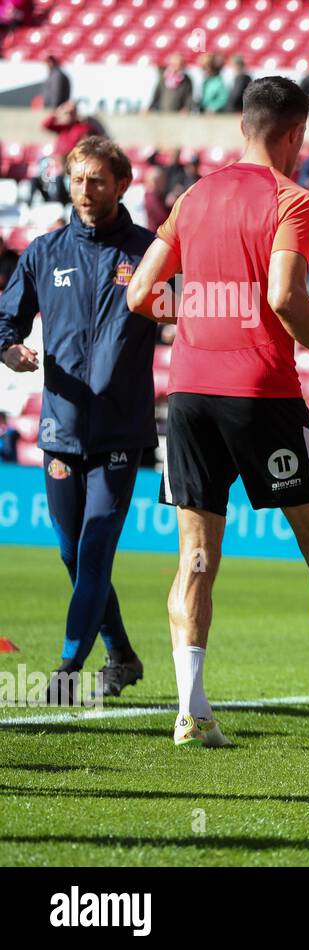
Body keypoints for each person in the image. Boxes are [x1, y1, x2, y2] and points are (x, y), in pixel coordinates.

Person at [126, 76, 309, 748]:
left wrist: (202, 312)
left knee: (196, 556)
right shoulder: (295, 199)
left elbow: (141, 294)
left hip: (191, 393)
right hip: (260, 390)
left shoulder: (193, 196)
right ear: (295, 135)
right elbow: (285, 295)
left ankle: (191, 711)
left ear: (242, 127)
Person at [0, 136, 157, 701]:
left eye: (97, 180)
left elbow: (191, 311)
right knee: (72, 553)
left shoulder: (151, 253)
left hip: (121, 431)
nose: (86, 190)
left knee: (94, 547)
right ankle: (122, 654)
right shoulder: (44, 252)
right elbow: (5, 320)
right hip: (60, 430)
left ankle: (67, 670)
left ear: (121, 185)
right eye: (77, 179)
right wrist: (10, 349)